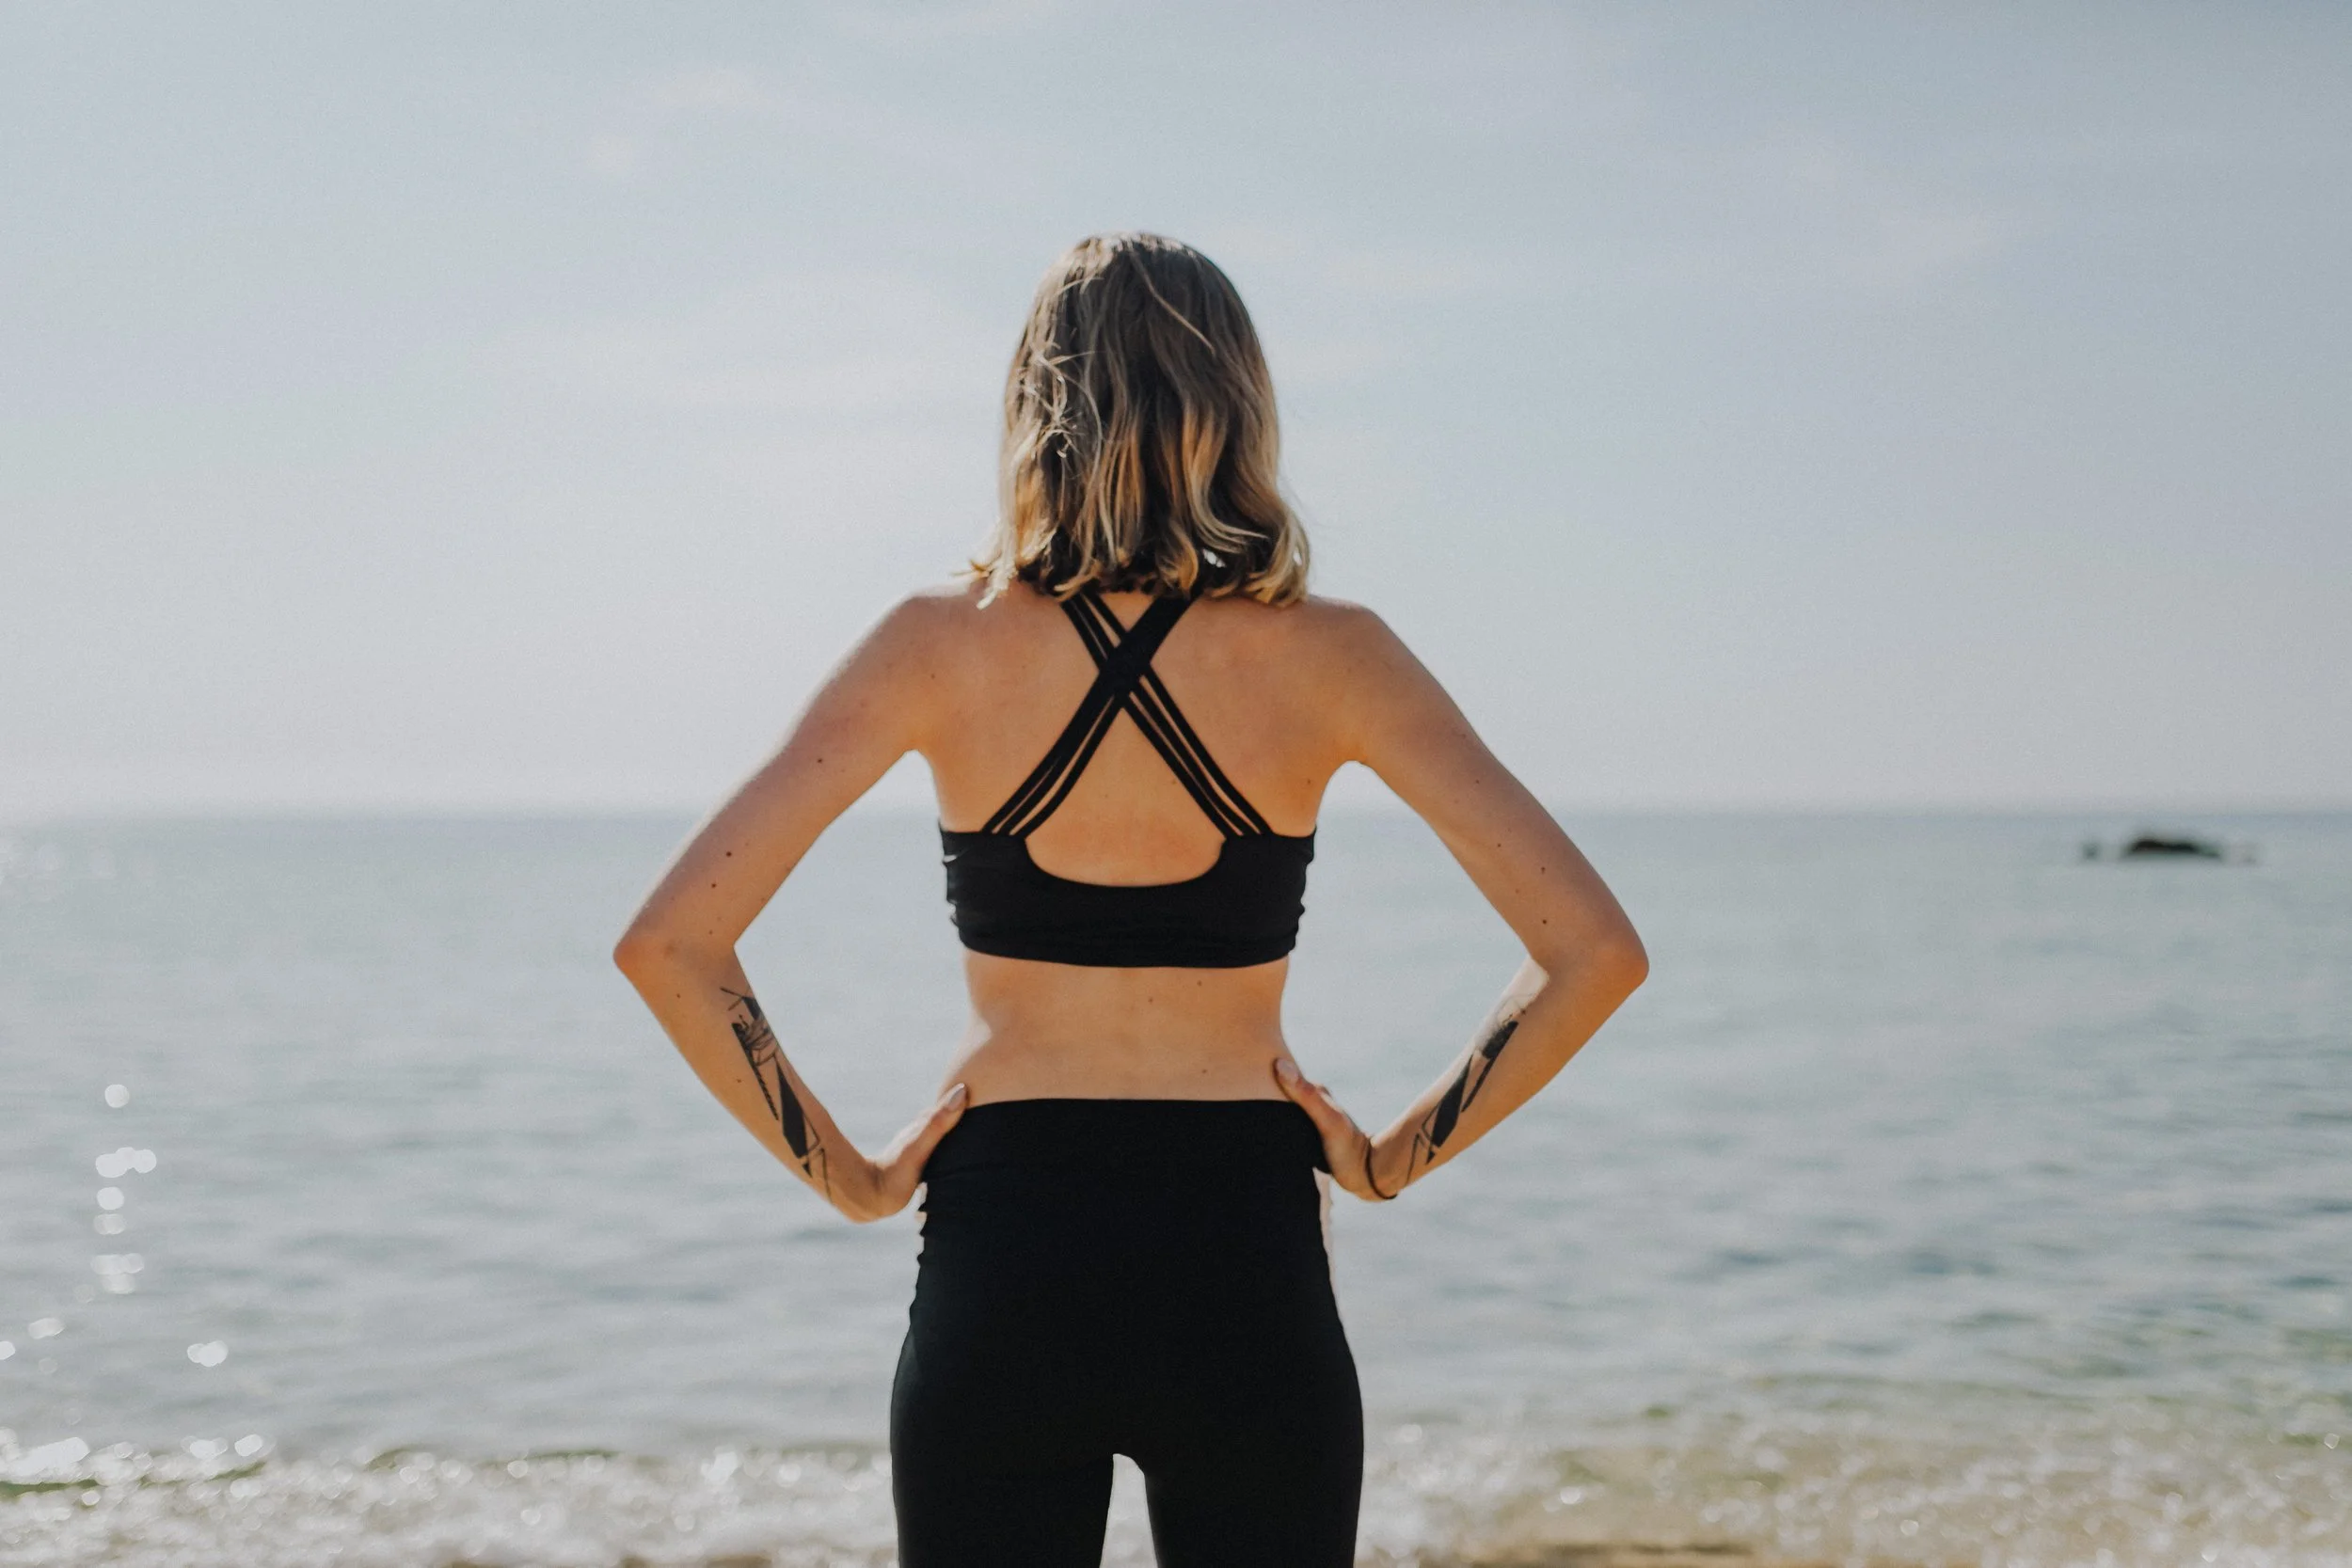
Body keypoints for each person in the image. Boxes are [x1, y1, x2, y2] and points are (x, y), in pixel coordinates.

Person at [613, 231, 1647, 1568]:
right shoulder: (1337, 657)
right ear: (1239, 404)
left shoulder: (937, 645)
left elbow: (671, 942)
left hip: (1007, 1251)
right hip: (1245, 1255)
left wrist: (853, 1178)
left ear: (1038, 405)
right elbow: (1594, 953)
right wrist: (1393, 1155)